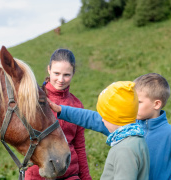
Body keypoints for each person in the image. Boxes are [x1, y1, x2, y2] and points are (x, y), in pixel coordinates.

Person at [48, 81, 150, 180]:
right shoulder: (136, 137)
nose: (101, 119)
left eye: (104, 116)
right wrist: (62, 110)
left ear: (115, 118)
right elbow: (91, 118)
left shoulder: (124, 149)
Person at [25, 49, 92, 180]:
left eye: (66, 75)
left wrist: (86, 177)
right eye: (56, 73)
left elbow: (79, 146)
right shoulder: (34, 100)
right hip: (38, 174)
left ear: (73, 73)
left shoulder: (76, 105)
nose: (61, 79)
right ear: (49, 69)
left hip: (69, 174)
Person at [134, 73, 171, 180]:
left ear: (156, 104)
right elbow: (105, 122)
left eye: (138, 102)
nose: (133, 105)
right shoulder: (130, 128)